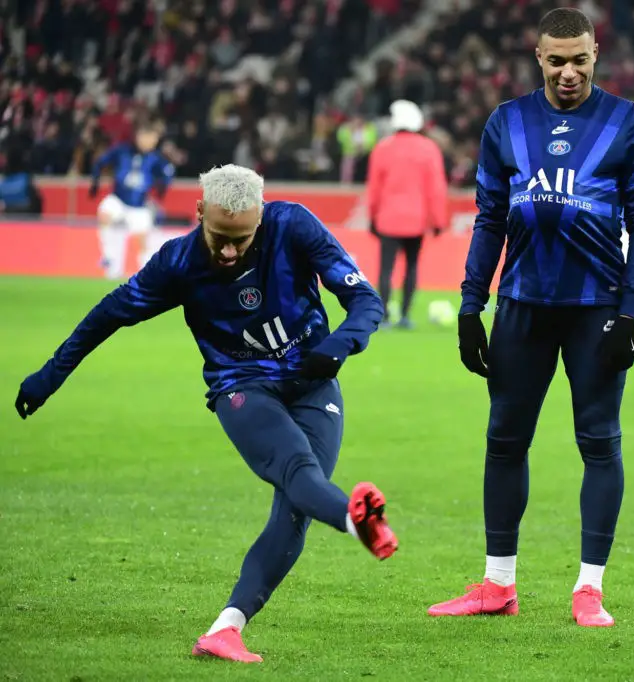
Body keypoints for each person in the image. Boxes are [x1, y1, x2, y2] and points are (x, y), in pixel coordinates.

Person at [15, 164, 398, 663]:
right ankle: (355, 520)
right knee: (297, 470)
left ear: (261, 216)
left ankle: (226, 629)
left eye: (242, 239)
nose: (230, 251)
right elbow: (108, 315)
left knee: (296, 508)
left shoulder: (293, 226)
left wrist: (339, 345)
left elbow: (364, 300)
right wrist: (50, 374)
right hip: (241, 386)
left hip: (313, 382)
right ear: (199, 212)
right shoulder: (178, 263)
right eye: (220, 237)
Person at [428, 7, 634, 627]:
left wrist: (631, 313)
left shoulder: (629, 123)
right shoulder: (506, 122)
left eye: (579, 60)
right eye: (556, 61)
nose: (568, 72)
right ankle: (497, 584)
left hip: (595, 309)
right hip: (521, 306)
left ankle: (589, 589)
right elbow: (488, 220)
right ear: (538, 57)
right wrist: (470, 306)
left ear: (595, 55)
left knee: (599, 442)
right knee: (504, 441)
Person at [365, 99, 449, 328]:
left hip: (388, 218)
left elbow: (374, 188)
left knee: (386, 268)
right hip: (416, 219)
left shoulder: (383, 148)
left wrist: (372, 217)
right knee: (411, 266)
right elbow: (436, 189)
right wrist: (438, 220)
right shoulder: (429, 149)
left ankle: (383, 316)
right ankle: (404, 316)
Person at [90, 122, 176, 279]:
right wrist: (95, 182)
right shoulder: (122, 151)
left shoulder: (156, 159)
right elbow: (101, 162)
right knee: (105, 212)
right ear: (138, 136)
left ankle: (147, 274)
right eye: (147, 138)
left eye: (153, 139)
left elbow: (167, 175)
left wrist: (161, 188)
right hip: (119, 199)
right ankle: (108, 256)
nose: (150, 142)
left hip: (139, 205)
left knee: (143, 240)